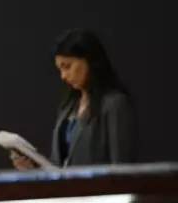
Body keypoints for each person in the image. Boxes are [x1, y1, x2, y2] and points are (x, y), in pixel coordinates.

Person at [11, 28, 137, 170]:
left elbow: (122, 167)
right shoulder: (69, 107)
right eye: (60, 69)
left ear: (89, 60)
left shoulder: (114, 104)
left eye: (67, 66)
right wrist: (33, 168)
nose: (63, 76)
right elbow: (60, 164)